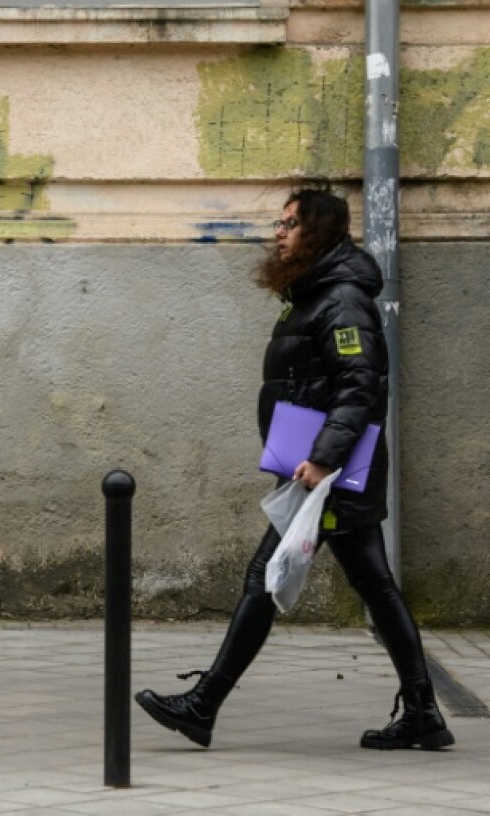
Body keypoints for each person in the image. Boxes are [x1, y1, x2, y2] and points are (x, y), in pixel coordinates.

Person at [135, 187, 454, 751]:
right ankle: (425, 712)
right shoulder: (314, 295)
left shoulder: (342, 301)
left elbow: (360, 388)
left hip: (327, 469)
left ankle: (204, 704)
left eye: (289, 223)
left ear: (320, 232)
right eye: (278, 222)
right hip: (317, 463)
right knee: (375, 585)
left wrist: (324, 456)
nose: (277, 232)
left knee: (267, 576)